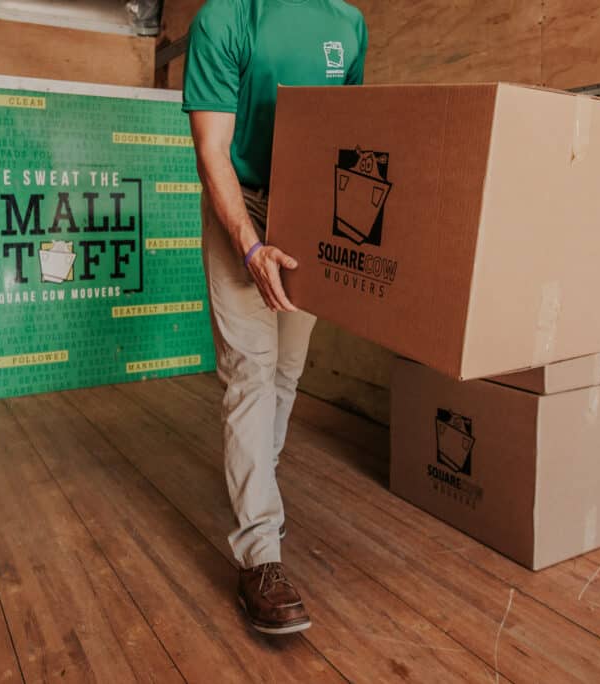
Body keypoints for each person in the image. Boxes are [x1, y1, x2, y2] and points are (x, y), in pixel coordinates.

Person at [182, 0, 368, 635]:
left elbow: (353, 131)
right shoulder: (224, 19)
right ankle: (260, 554)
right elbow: (212, 148)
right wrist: (249, 243)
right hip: (242, 202)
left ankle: (260, 487)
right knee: (251, 373)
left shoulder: (348, 22)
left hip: (310, 208)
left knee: (287, 370)